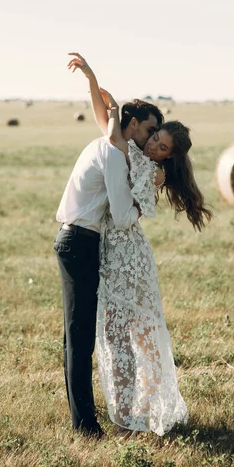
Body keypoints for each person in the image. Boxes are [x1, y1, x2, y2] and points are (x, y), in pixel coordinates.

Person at [69, 54, 212, 437]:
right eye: (154, 137)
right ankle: (129, 415)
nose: (153, 146)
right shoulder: (128, 151)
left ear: (169, 155)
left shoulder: (154, 173)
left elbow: (130, 217)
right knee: (119, 338)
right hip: (109, 253)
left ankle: (133, 418)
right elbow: (107, 123)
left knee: (131, 338)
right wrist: (95, 81)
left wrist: (143, 192)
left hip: (127, 257)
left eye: (161, 145)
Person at [54, 53, 164, 439]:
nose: (152, 139)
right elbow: (120, 217)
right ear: (132, 126)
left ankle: (83, 420)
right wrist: (143, 199)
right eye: (149, 130)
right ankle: (85, 426)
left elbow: (107, 119)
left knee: (76, 335)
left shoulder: (108, 143)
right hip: (80, 242)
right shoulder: (114, 156)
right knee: (80, 336)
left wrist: (95, 83)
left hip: (77, 240)